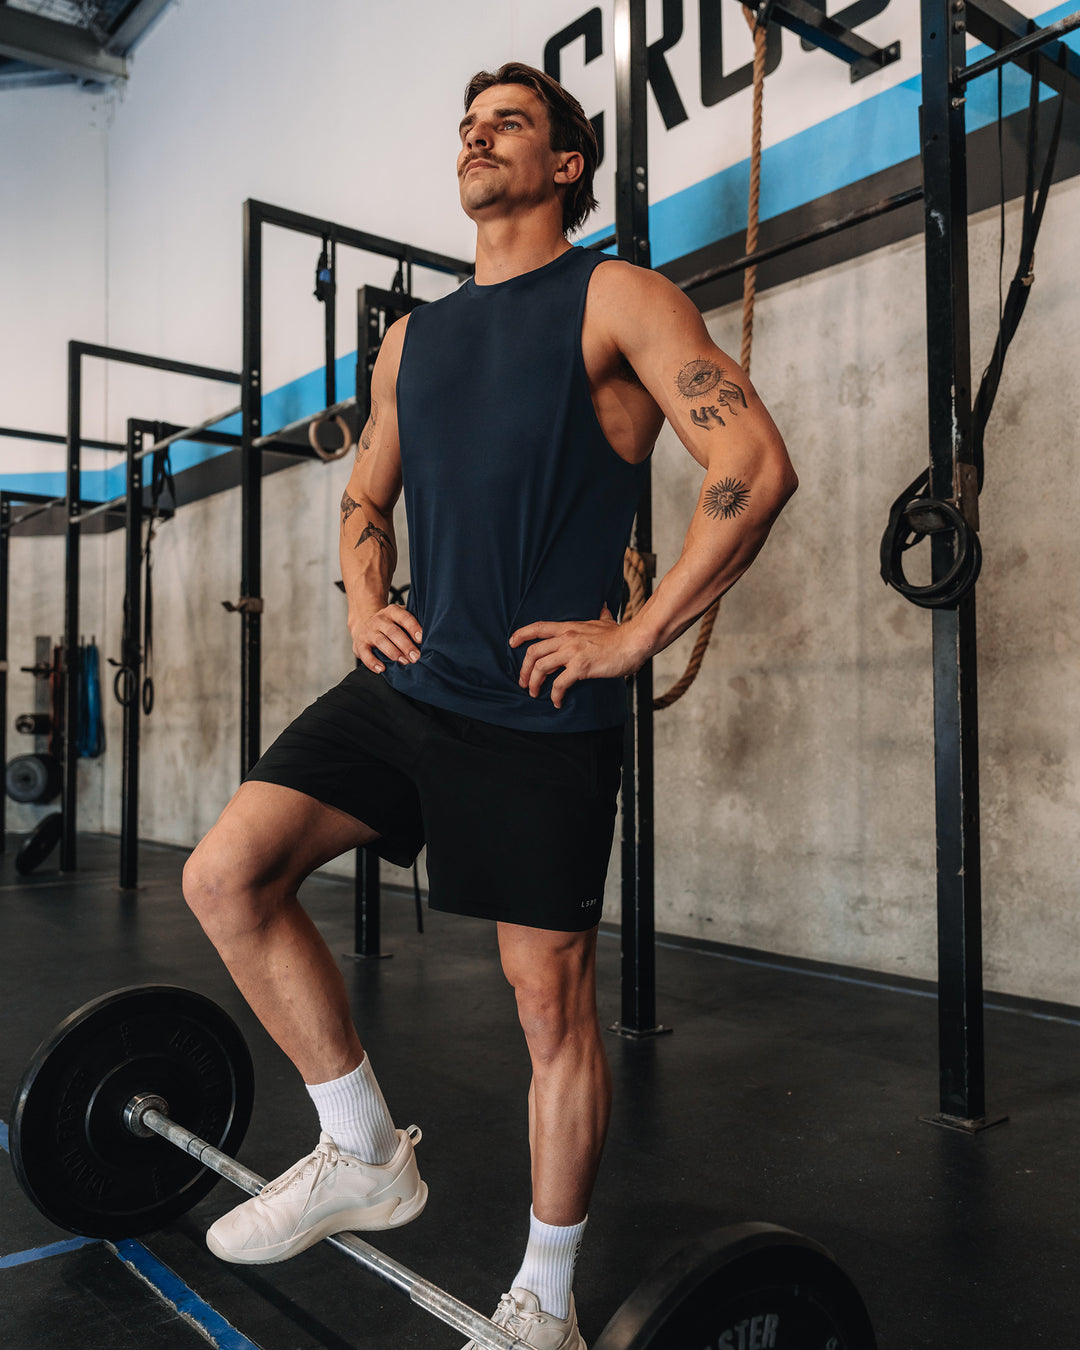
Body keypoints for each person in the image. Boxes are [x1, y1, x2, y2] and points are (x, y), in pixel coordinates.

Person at [183, 61, 796, 1350]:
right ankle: (360, 1151)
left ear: (566, 164)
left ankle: (546, 1303)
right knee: (227, 875)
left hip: (536, 709)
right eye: (467, 125)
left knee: (546, 1006)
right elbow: (363, 498)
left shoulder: (613, 295)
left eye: (507, 122)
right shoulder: (416, 335)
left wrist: (635, 633)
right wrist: (363, 602)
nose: (477, 137)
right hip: (409, 686)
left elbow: (751, 460)